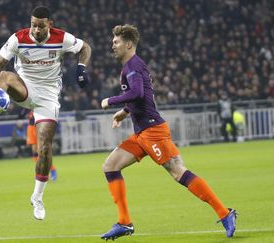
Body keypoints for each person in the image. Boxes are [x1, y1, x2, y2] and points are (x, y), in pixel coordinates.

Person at [99, 24, 236, 240]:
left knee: (177, 171)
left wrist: (111, 101)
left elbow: (137, 92)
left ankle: (225, 213)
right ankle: (124, 222)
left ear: (128, 44)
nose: (112, 45)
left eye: (116, 42)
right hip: (141, 133)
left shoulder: (133, 65)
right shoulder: (130, 66)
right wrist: (124, 112)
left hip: (153, 131)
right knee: (110, 166)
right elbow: (143, 96)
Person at [0, 6, 91, 220]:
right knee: (5, 75)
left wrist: (81, 68)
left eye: (40, 25)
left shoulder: (62, 38)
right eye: (33, 25)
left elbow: (86, 48)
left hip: (48, 96)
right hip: (25, 86)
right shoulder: (18, 39)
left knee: (44, 149)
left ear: (50, 24)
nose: (36, 30)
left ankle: (37, 196)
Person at [27, 111, 57, 180]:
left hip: (39, 127)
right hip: (31, 128)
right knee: (34, 153)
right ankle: (39, 173)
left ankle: (52, 170)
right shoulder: (30, 111)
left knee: (41, 153)